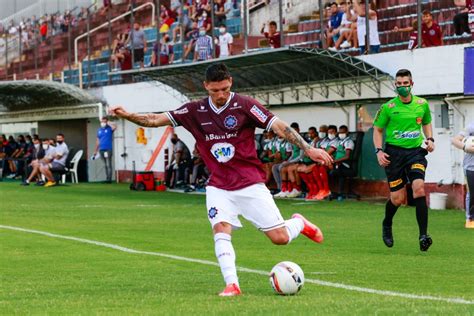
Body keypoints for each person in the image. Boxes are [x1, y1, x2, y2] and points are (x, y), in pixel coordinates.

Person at [109, 63, 333, 296]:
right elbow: (155, 119)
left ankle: (299, 223)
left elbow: (278, 126)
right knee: (221, 228)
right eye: (215, 90)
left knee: (280, 238)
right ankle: (232, 284)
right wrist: (128, 115)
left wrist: (308, 149)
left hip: (250, 183)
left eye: (225, 89)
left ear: (231, 83)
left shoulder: (245, 105)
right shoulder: (193, 111)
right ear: (206, 86)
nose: (220, 95)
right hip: (218, 186)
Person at [373, 69, 435, 251]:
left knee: (419, 188)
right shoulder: (388, 108)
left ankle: (423, 235)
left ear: (411, 84)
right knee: (398, 198)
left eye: (405, 84)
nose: (402, 87)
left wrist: (430, 139)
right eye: (398, 84)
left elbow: (426, 122)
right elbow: (377, 130)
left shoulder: (422, 104)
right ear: (395, 86)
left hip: (415, 152)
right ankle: (387, 223)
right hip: (394, 154)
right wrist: (378, 151)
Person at [451, 122, 474, 228]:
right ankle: (470, 219)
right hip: (471, 167)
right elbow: (455, 140)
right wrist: (466, 147)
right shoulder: (471, 126)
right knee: (472, 193)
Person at [94, 117, 116, 183]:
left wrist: (108, 122)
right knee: (105, 165)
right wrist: (95, 150)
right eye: (102, 121)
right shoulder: (99, 130)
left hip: (108, 149)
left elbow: (114, 127)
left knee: (108, 164)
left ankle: (109, 179)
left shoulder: (109, 129)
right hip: (101, 149)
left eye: (104, 121)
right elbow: (97, 141)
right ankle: (107, 178)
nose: (103, 123)